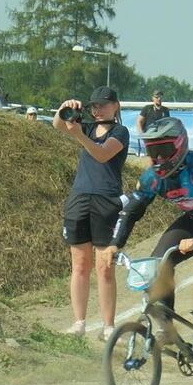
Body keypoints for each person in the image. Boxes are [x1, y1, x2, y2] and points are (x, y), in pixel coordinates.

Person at [111, 116, 193, 370]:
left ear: (181, 145)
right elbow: (131, 211)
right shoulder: (152, 177)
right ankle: (168, 328)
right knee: (157, 264)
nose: (159, 158)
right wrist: (113, 244)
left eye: (164, 150)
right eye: (154, 151)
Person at [54, 86, 128, 340]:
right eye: (94, 106)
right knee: (80, 264)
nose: (97, 110)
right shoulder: (85, 127)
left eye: (103, 105)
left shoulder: (120, 131)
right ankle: (79, 322)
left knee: (104, 266)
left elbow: (102, 154)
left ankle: (108, 325)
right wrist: (65, 107)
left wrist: (80, 137)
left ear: (115, 106)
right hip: (80, 196)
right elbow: (58, 124)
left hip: (106, 199)